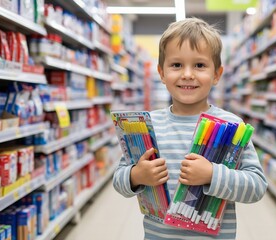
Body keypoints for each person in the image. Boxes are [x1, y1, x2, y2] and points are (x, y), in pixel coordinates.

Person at [113, 17, 268, 239]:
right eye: (176, 65)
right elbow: (119, 179)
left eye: (200, 65)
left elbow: (256, 187)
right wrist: (136, 176)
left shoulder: (233, 127)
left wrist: (212, 175)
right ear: (161, 73)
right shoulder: (148, 126)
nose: (187, 74)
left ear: (217, 74)